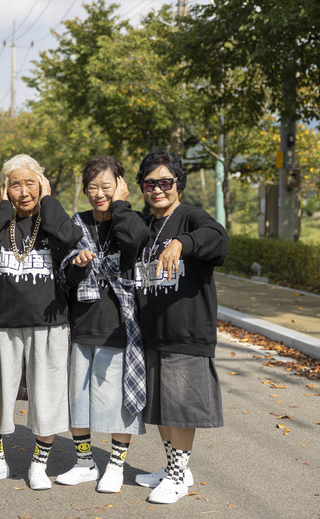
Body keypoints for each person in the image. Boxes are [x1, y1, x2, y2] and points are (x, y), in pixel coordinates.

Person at [0, 154, 81, 490]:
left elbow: (70, 238)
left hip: (49, 324)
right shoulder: (1, 220)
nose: (24, 191)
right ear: (5, 189)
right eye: (15, 185)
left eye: (30, 183)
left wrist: (48, 201)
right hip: (2, 323)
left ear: (42, 185)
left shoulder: (52, 219)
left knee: (46, 397)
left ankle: (39, 464)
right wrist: (2, 208)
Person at [132, 148, 228, 504]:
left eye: (165, 182)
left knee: (180, 408)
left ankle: (176, 477)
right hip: (152, 333)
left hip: (186, 332)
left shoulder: (191, 217)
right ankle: (176, 467)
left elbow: (217, 237)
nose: (157, 189)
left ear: (178, 184)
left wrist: (182, 242)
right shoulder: (147, 225)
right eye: (150, 183)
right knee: (161, 407)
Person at [58, 156, 149, 493]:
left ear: (121, 186)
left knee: (117, 403)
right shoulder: (77, 223)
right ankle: (84, 462)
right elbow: (64, 278)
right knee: (77, 400)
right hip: (81, 324)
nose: (99, 194)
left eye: (106, 186)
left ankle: (116, 465)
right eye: (92, 187)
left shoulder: (131, 219)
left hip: (119, 325)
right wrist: (78, 265)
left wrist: (121, 204)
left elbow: (135, 242)